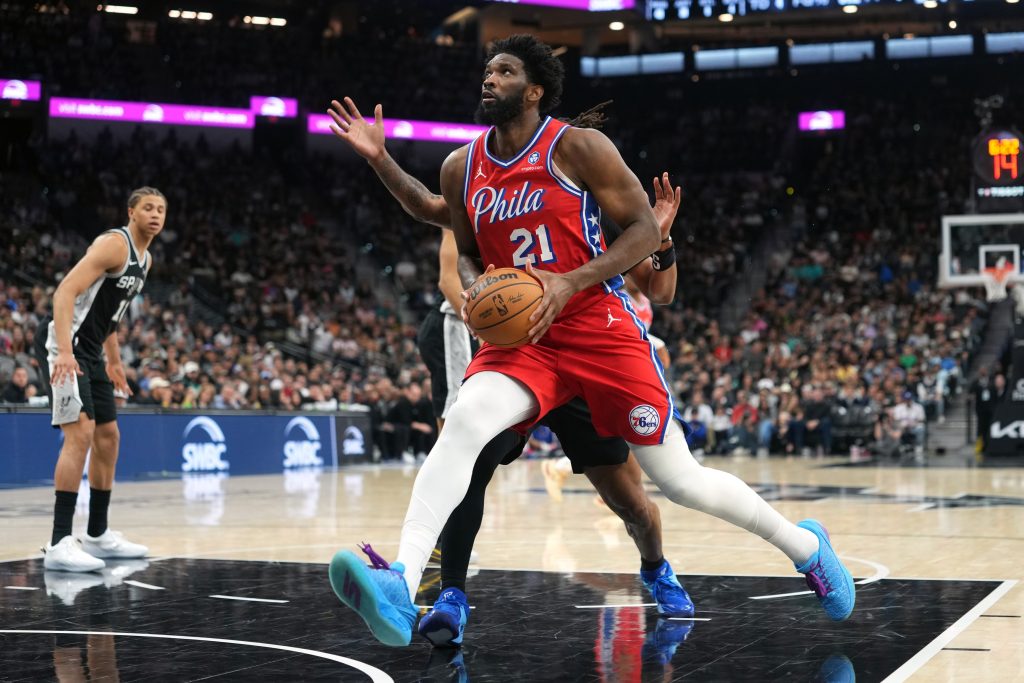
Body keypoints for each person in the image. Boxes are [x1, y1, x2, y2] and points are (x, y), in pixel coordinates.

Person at [330, 36, 854, 648]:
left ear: (534, 90)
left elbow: (643, 230)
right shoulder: (461, 166)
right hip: (525, 339)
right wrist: (388, 169)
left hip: (596, 328)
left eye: (504, 71)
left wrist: (571, 281)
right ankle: (401, 580)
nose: (489, 79)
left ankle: (806, 548)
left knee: (679, 481)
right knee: (465, 424)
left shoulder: (578, 148)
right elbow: (451, 232)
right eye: (487, 70)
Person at [327, 95, 693, 646]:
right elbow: (430, 209)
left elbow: (660, 290)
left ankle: (656, 567)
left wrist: (661, 237)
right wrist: (381, 159)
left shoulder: (602, 225)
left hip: (590, 359)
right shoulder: (489, 196)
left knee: (629, 502)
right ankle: (450, 596)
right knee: (469, 457)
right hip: (523, 356)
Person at [33, 187, 164, 572]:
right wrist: (65, 352)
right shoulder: (113, 245)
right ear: (131, 212)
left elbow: (110, 316)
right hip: (65, 344)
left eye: (161, 209)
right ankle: (59, 541)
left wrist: (115, 362)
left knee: (109, 436)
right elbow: (64, 292)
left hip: (91, 350)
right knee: (81, 433)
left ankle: (97, 534)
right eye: (148, 208)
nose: (155, 215)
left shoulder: (146, 260)